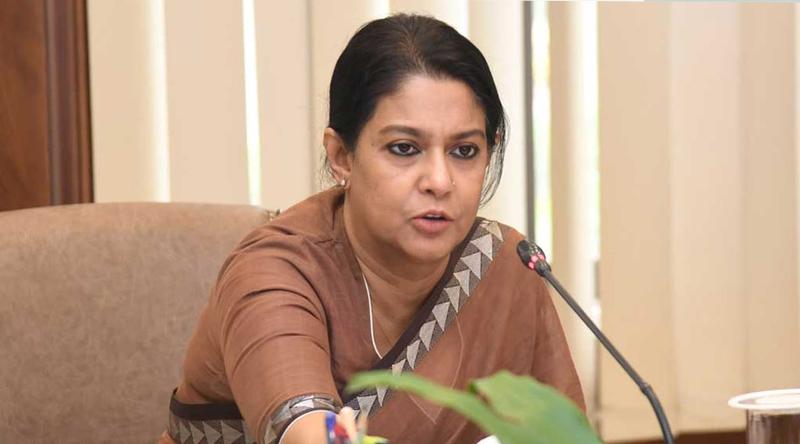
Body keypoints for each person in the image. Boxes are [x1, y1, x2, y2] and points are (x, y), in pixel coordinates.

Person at [159, 13, 583, 444]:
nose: (439, 181)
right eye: (404, 148)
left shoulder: (504, 266)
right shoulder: (274, 272)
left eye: (464, 151)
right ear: (341, 156)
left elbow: (565, 436)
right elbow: (307, 433)